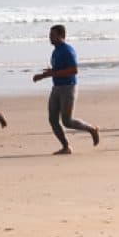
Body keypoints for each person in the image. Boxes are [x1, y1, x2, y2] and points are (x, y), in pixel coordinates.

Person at [32, 24, 100, 155]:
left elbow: (74, 70)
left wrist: (52, 74)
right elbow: (57, 70)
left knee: (67, 121)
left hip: (68, 88)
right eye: (49, 35)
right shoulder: (55, 51)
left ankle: (91, 129)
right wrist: (43, 75)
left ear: (61, 36)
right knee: (52, 119)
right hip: (56, 88)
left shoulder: (68, 50)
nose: (50, 38)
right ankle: (66, 147)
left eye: (52, 35)